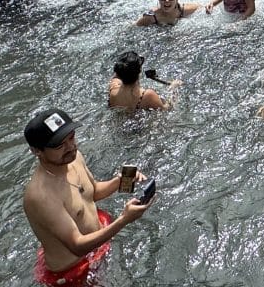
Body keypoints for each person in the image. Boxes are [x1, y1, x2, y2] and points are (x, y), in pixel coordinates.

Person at [22, 108, 152, 286]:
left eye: (71, 137)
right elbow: (77, 246)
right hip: (72, 270)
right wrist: (124, 220)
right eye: (59, 145)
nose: (70, 147)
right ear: (37, 151)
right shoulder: (40, 196)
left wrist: (121, 180)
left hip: (97, 243)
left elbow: (93, 192)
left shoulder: (74, 158)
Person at [107, 51, 181, 110]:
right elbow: (167, 109)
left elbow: (116, 75)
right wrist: (174, 89)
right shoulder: (147, 95)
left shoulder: (113, 88)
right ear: (139, 71)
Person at [135, 0, 200, 26]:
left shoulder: (185, 10)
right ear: (159, 0)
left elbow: (202, 8)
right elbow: (134, 25)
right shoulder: (152, 17)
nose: (167, 1)